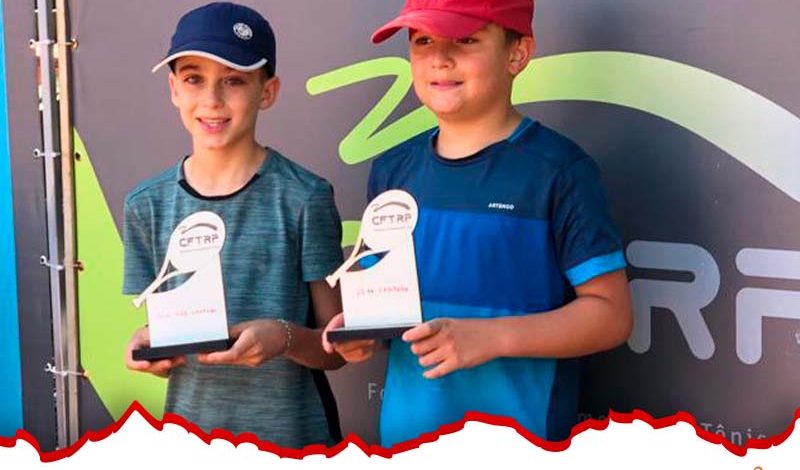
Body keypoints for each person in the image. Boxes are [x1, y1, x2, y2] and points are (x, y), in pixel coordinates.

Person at [323, 0, 633, 447]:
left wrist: (491, 338)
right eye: (423, 40)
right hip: (406, 443)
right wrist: (360, 328)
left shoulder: (560, 171)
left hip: (522, 445)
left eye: (466, 40)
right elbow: (388, 305)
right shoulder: (393, 170)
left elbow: (611, 315)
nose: (439, 58)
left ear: (517, 54)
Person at [123, 2, 345, 448]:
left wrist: (284, 338)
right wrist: (147, 349)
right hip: (190, 442)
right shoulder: (146, 205)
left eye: (234, 80)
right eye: (194, 79)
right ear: (173, 89)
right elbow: (167, 337)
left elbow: (337, 347)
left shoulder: (305, 197)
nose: (212, 100)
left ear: (268, 91)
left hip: (294, 441)